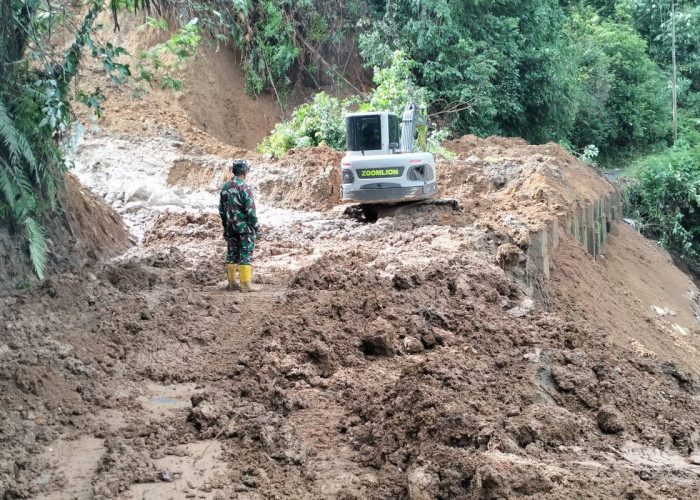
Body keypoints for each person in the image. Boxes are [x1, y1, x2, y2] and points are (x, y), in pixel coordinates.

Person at [219, 159, 262, 292]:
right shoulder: (245, 187)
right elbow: (250, 211)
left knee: (231, 254)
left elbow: (221, 211)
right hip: (244, 229)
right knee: (245, 254)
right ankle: (246, 285)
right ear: (245, 172)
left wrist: (226, 228)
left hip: (231, 227)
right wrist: (257, 229)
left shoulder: (225, 187)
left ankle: (231, 283)